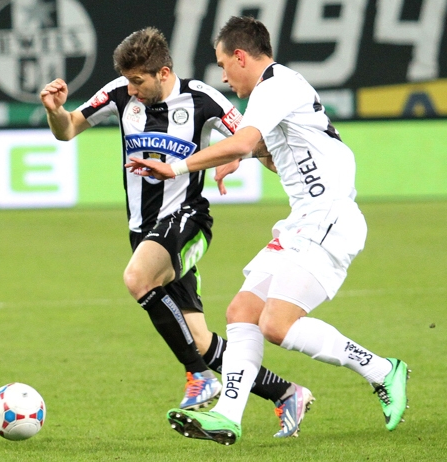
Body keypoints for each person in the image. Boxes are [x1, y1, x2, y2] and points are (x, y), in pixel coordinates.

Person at [126, 16, 409, 445]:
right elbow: (265, 147)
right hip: (303, 222)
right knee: (241, 312)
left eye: (224, 64)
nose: (222, 75)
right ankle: (228, 416)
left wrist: (179, 166)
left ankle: (381, 369)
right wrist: (246, 155)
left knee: (276, 324)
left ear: (241, 56)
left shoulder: (276, 86)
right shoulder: (272, 95)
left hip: (329, 218)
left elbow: (244, 139)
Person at [40, 27, 314, 438]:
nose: (131, 91)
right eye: (128, 81)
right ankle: (285, 393)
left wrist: (241, 157)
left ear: (163, 72)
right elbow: (67, 130)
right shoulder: (118, 92)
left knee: (137, 278)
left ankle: (198, 377)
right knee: (200, 340)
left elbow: (259, 145)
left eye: (138, 82)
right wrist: (55, 110)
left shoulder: (204, 98)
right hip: (143, 232)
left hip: (187, 220)